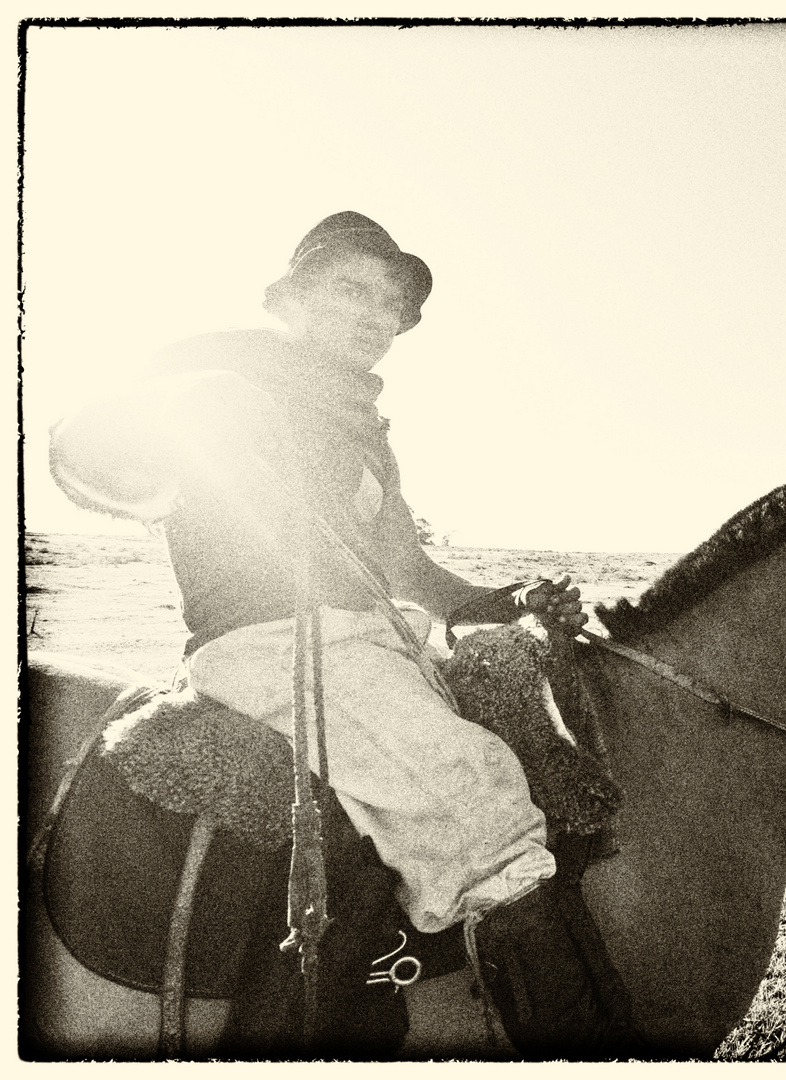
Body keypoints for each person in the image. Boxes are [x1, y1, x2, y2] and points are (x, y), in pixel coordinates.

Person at [49, 212, 605, 1051]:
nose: (376, 315)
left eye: (392, 305)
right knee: (481, 800)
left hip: (376, 647)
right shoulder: (221, 381)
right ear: (292, 300)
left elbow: (414, 576)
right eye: (352, 288)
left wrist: (511, 595)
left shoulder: (366, 435)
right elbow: (90, 458)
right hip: (272, 647)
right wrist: (178, 416)